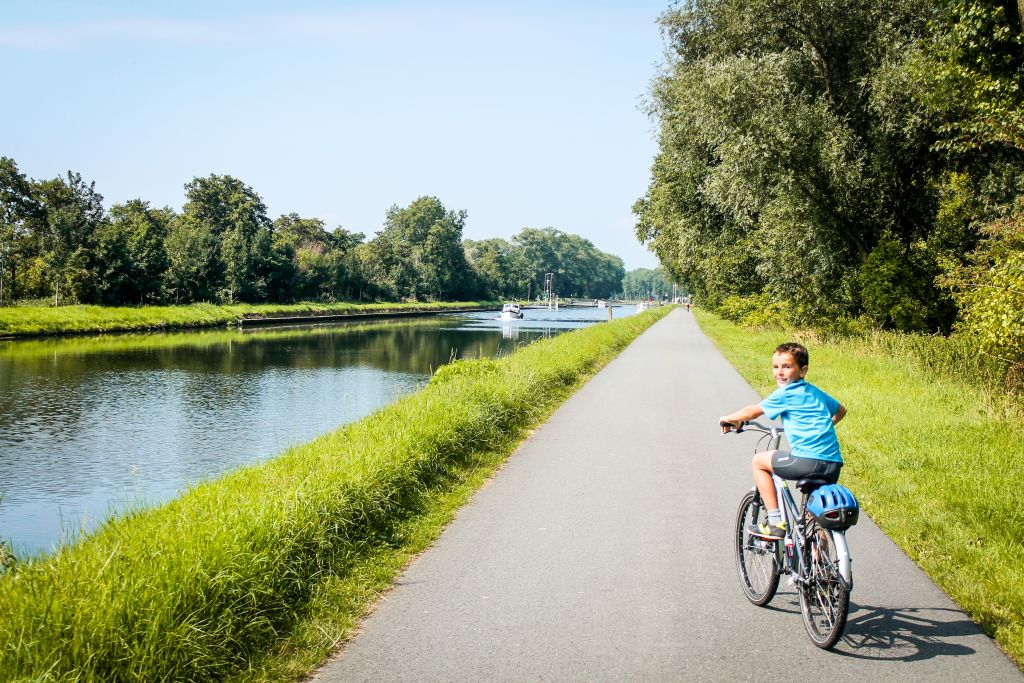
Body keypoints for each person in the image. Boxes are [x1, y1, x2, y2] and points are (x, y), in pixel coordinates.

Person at [718, 342, 847, 539]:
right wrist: (821, 429)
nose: (779, 372)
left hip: (805, 461)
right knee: (813, 519)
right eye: (775, 366)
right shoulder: (815, 392)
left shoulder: (787, 393)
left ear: (803, 370)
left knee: (759, 462)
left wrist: (729, 418)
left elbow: (753, 411)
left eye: (787, 367)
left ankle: (775, 522)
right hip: (833, 464)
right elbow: (840, 410)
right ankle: (819, 564)